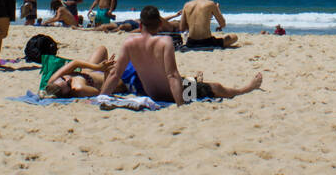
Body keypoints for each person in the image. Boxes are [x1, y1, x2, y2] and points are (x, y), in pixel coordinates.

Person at [98, 6, 263, 104]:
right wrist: (180, 104)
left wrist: (102, 97)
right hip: (171, 94)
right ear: (160, 24)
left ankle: (194, 80)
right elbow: (172, 75)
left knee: (190, 80)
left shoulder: (129, 42)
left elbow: (114, 74)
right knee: (215, 87)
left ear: (140, 24)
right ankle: (245, 89)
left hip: (148, 93)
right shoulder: (164, 42)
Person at [39, 46, 117, 98]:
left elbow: (75, 63)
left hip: (88, 71)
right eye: (69, 84)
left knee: (101, 49)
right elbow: (102, 93)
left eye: (63, 78)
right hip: (104, 80)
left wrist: (99, 67)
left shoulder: (52, 80)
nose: (68, 79)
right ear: (68, 93)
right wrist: (107, 72)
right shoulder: (79, 89)